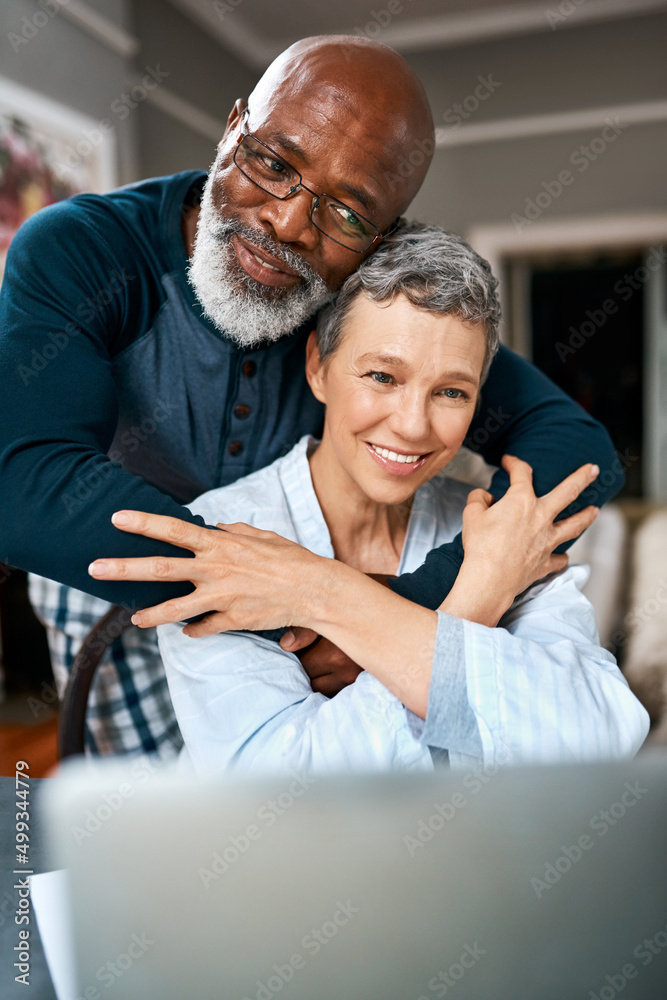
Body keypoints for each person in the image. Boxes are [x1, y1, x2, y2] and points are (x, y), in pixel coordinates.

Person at [0, 36, 622, 757]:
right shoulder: (86, 249)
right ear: (233, 126)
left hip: (315, 584)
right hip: (110, 573)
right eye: (271, 164)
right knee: (148, 826)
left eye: (348, 214)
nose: (288, 225)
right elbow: (23, 481)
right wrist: (321, 606)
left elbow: (579, 452)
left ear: (381, 240)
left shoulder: (360, 294)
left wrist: (396, 601)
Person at [142, 224, 647, 775]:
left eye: (452, 391)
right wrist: (476, 599)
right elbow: (282, 794)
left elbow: (599, 734)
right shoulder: (224, 533)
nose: (411, 426)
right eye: (382, 376)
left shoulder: (504, 530)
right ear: (318, 367)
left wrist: (325, 595)